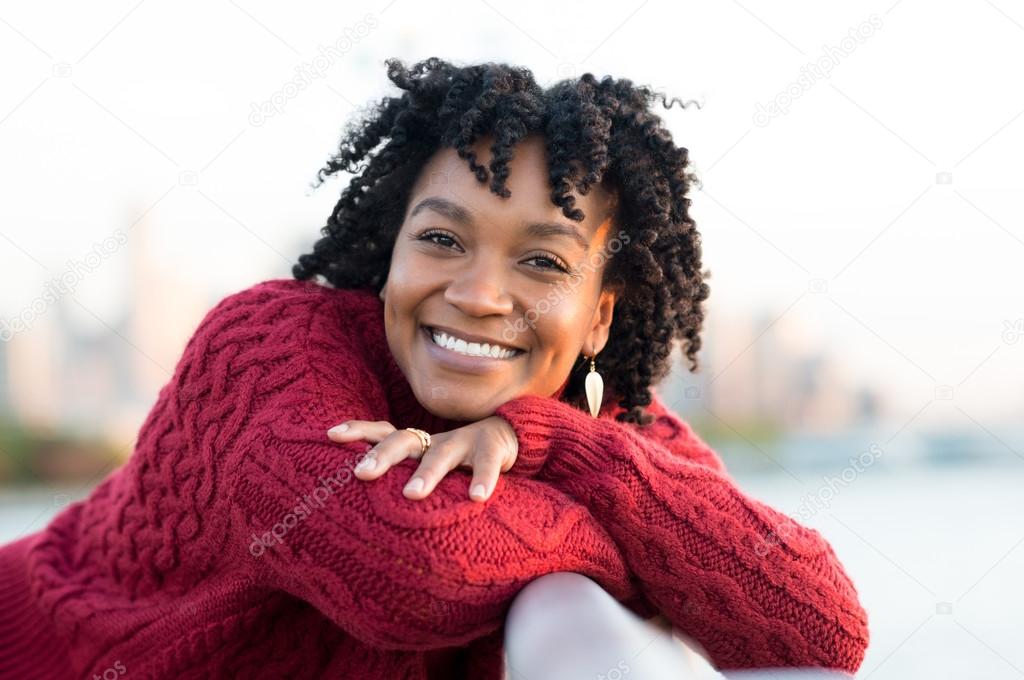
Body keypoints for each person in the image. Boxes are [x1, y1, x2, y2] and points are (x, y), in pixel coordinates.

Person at [0, 57, 868, 679]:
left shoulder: (603, 436)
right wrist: (638, 543)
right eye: (442, 239)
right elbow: (413, 564)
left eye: (543, 262)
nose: (481, 294)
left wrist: (556, 449)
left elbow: (820, 631)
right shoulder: (269, 350)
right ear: (392, 250)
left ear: (600, 315)